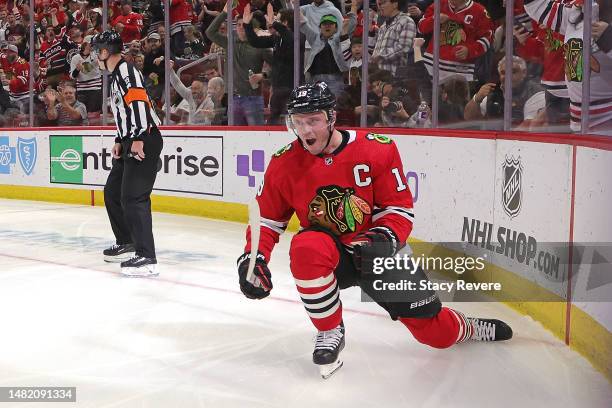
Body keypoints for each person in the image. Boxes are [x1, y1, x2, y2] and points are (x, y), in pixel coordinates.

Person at [236, 81, 513, 379]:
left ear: (331, 117)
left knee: (436, 335)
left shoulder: (376, 149)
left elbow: (398, 208)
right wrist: (253, 259)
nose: (305, 130)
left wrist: (383, 238)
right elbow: (266, 220)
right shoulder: (284, 163)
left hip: (379, 251)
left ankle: (465, 326)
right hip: (332, 253)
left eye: (313, 120)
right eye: (298, 122)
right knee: (307, 246)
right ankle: (329, 330)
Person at [92, 30, 163, 277]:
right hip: (131, 139)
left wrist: (139, 139)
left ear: (104, 52)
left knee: (134, 198)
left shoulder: (126, 71)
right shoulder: (116, 75)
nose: (95, 57)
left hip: (144, 139)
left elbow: (139, 103)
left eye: (96, 51)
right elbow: (126, 114)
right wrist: (120, 140)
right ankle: (127, 241)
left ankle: (146, 256)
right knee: (113, 192)